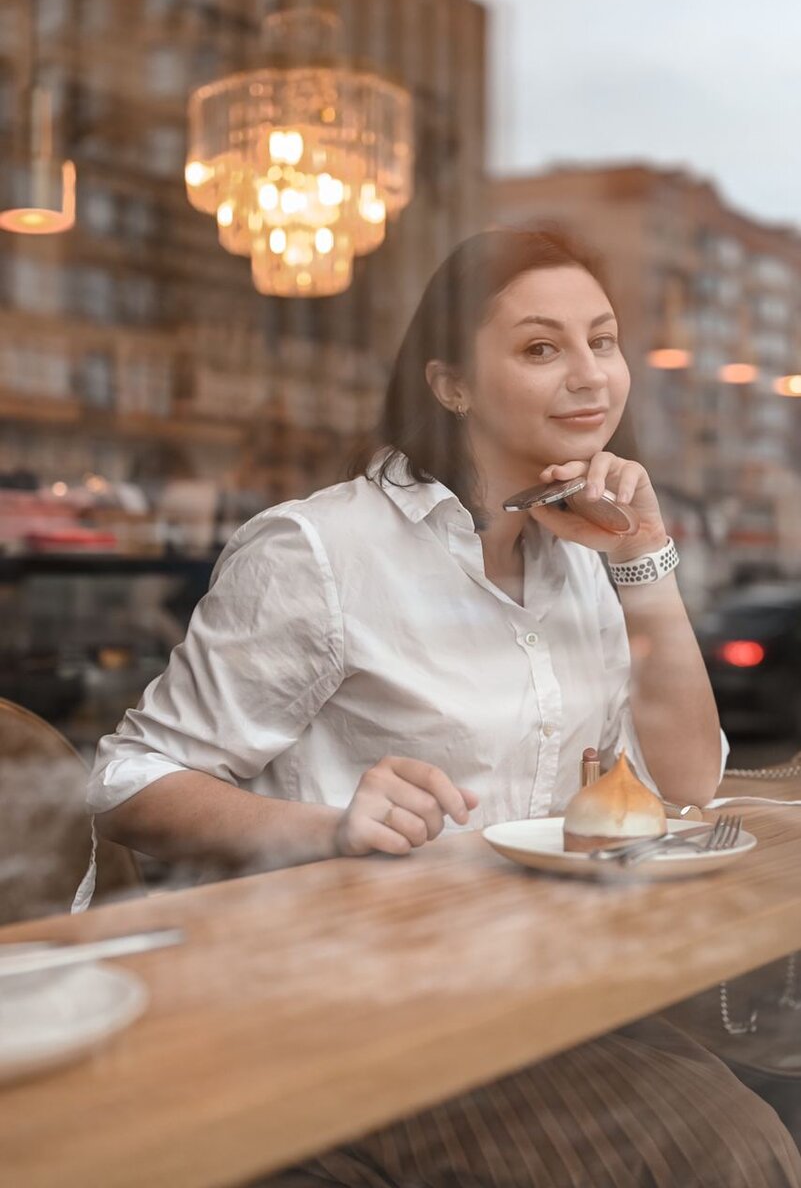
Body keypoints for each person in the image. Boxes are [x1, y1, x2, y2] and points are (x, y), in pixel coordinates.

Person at [82, 231, 801, 1187]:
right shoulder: (320, 551)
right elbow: (122, 782)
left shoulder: (587, 553)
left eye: (605, 340)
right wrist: (328, 828)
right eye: (542, 348)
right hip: (355, 1005)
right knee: (736, 1155)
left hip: (537, 990)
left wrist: (642, 558)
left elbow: (683, 786)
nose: (591, 377)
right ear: (450, 383)